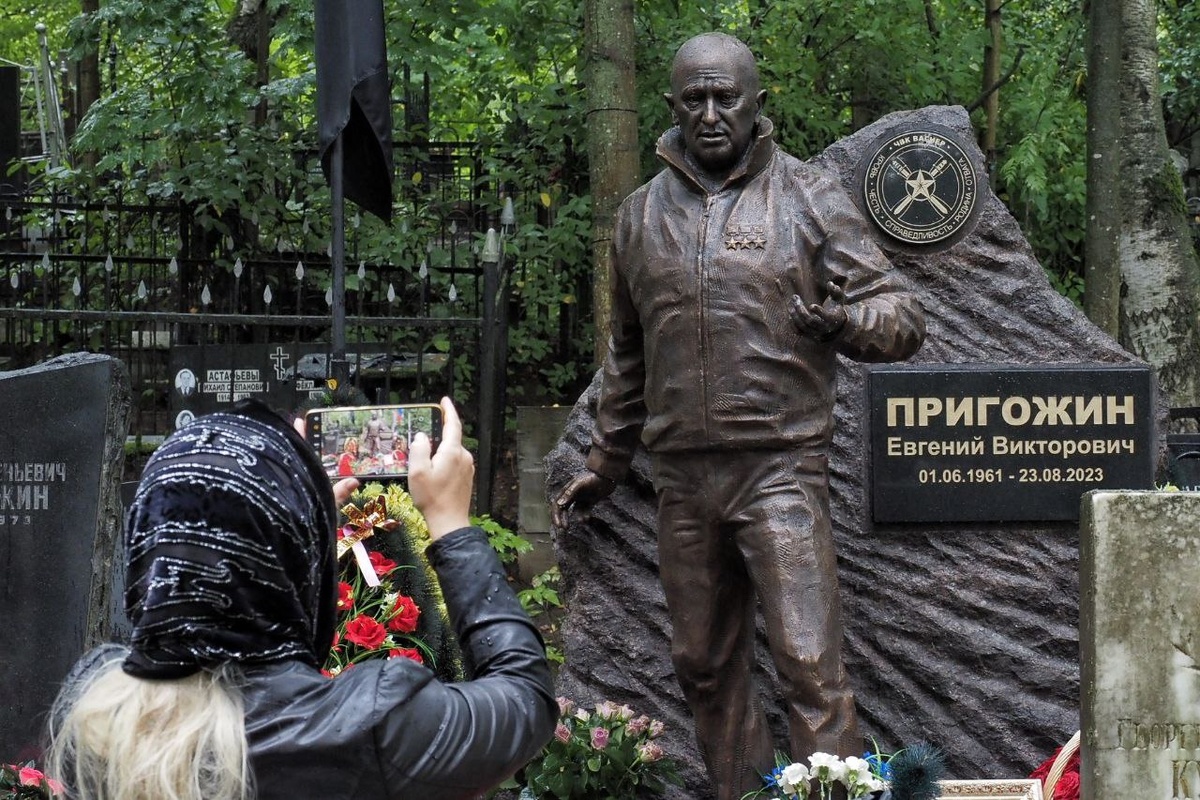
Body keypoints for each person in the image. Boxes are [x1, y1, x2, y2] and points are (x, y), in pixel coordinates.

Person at [551, 32, 926, 800]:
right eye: (696, 99)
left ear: (758, 103)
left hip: (780, 470)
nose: (712, 113)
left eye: (728, 97)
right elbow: (627, 358)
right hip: (682, 481)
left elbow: (903, 315)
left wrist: (844, 324)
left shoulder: (809, 197)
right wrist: (603, 465)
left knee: (808, 663)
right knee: (704, 664)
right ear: (672, 106)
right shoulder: (637, 219)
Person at [45, 397, 557, 800]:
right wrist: (450, 522)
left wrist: (302, 523)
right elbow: (525, 700)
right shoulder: (368, 726)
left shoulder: (95, 717)